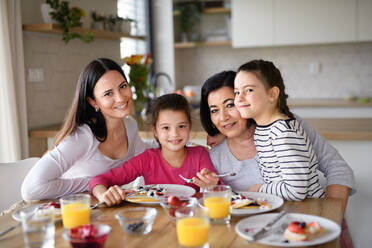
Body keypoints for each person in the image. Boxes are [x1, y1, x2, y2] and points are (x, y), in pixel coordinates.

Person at [200, 70, 355, 212]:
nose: (223, 117)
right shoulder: (214, 157)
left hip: (310, 225)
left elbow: (338, 169)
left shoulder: (287, 126)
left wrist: (331, 216)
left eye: (230, 105)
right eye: (214, 110)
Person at [21, 58, 149, 201]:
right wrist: (95, 183)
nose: (120, 98)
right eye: (108, 93)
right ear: (93, 101)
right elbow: (31, 189)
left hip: (104, 211)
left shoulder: (130, 125)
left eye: (123, 86)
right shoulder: (83, 137)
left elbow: (146, 157)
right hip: (70, 212)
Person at [90, 93, 219, 206]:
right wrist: (103, 195)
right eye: (166, 128)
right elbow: (98, 181)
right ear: (155, 131)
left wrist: (213, 185)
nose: (174, 134)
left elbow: (221, 190)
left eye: (181, 126)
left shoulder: (200, 155)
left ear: (189, 127)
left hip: (188, 219)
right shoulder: (147, 159)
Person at [233, 59, 324, 201]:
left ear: (272, 94)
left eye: (249, 90)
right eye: (237, 92)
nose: (239, 98)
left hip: (308, 210)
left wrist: (259, 189)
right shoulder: (264, 129)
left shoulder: (282, 132)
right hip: (290, 207)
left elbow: (296, 191)